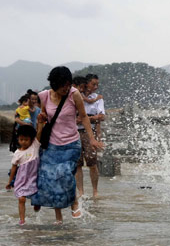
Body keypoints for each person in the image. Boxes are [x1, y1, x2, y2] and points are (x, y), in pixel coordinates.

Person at [31, 66, 103, 225]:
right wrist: (41, 119)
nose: (66, 88)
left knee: (64, 174)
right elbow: (44, 117)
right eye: (63, 85)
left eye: (68, 84)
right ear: (54, 84)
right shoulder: (44, 96)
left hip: (71, 143)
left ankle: (74, 203)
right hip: (51, 145)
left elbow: (83, 116)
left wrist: (92, 139)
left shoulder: (74, 94)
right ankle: (59, 217)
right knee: (50, 178)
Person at [6, 124, 43, 225]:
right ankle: (22, 219)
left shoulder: (34, 146)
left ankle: (36, 204)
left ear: (31, 139)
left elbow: (39, 134)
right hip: (21, 180)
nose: (23, 142)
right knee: (21, 199)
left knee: (37, 197)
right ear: (18, 139)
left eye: (26, 139)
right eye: (21, 139)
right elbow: (13, 168)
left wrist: (40, 122)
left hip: (34, 179)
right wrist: (10, 182)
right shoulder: (17, 153)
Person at [75, 73, 105, 199]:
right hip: (75, 133)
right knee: (77, 164)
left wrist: (86, 118)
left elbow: (102, 116)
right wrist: (92, 118)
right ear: (86, 84)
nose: (96, 86)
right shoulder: (76, 96)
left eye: (97, 84)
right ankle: (81, 192)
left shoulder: (98, 98)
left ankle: (95, 191)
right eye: (93, 84)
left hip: (89, 133)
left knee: (92, 163)